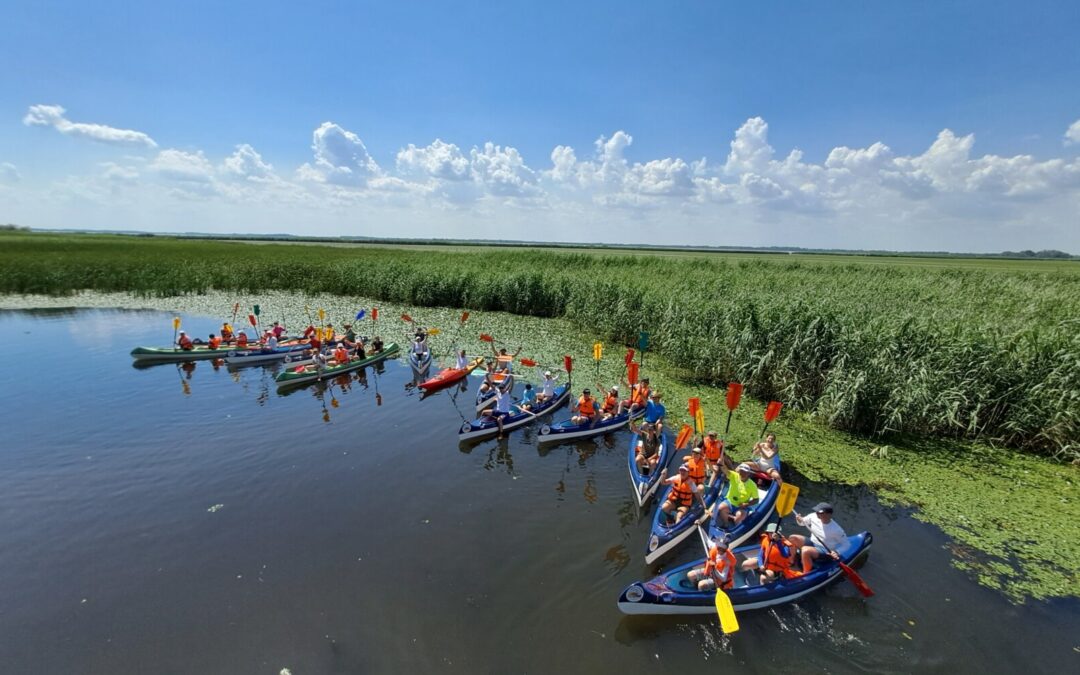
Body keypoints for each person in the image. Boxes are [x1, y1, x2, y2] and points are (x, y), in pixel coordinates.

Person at [789, 502, 848, 572]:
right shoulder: (813, 516)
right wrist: (799, 520)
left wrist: (837, 552)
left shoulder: (837, 530)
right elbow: (802, 523)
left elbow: (846, 544)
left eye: (820, 512)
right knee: (793, 538)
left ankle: (806, 573)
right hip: (812, 542)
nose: (817, 513)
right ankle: (791, 562)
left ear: (828, 514)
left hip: (826, 551)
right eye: (817, 511)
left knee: (805, 550)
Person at [714, 463, 760, 528]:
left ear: (748, 473)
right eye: (741, 471)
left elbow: (756, 500)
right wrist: (721, 464)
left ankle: (736, 527)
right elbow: (725, 470)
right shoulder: (734, 475)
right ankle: (726, 523)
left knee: (739, 516)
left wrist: (746, 504)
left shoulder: (753, 485)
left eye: (745, 472)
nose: (742, 473)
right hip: (730, 502)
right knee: (721, 507)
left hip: (741, 507)